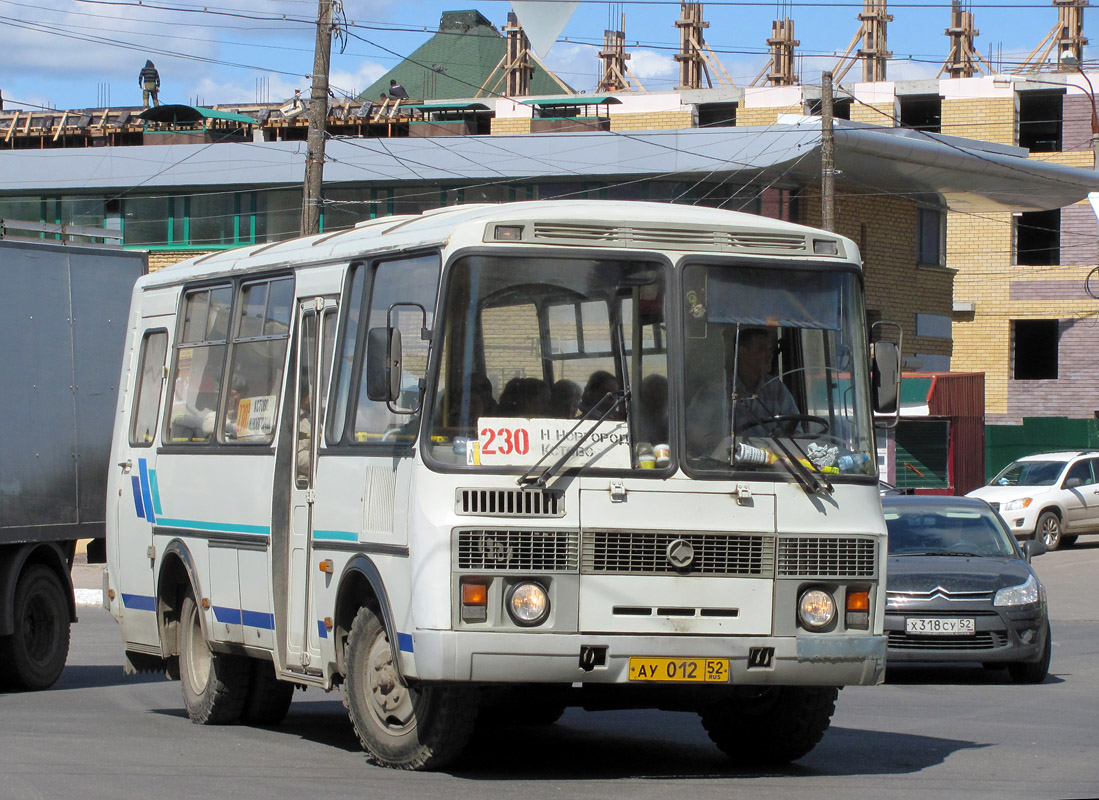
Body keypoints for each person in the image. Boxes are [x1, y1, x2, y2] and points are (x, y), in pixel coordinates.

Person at [686, 327, 799, 457]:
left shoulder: (777, 389)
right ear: (742, 351)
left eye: (770, 350)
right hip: (727, 465)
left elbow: (796, 432)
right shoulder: (716, 390)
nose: (770, 355)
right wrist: (719, 438)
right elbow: (693, 433)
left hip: (769, 466)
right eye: (762, 349)